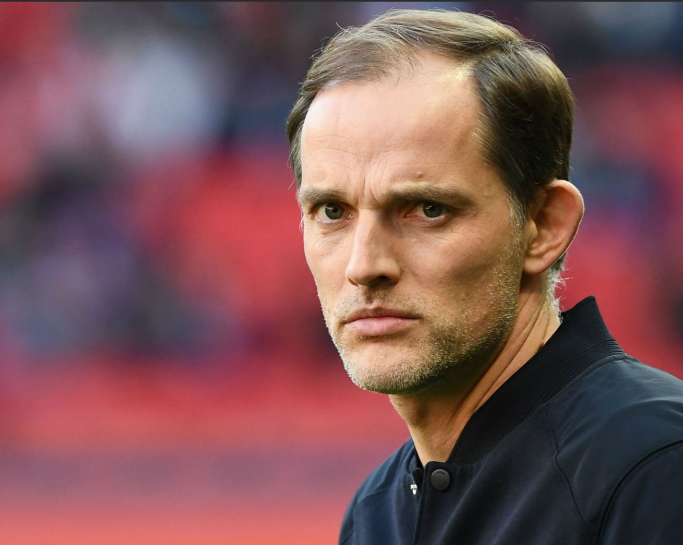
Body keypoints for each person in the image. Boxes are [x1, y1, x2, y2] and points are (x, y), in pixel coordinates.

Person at [286, 8, 683, 545]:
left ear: (543, 227)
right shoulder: (374, 514)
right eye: (332, 212)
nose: (364, 266)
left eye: (428, 209)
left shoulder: (657, 466)